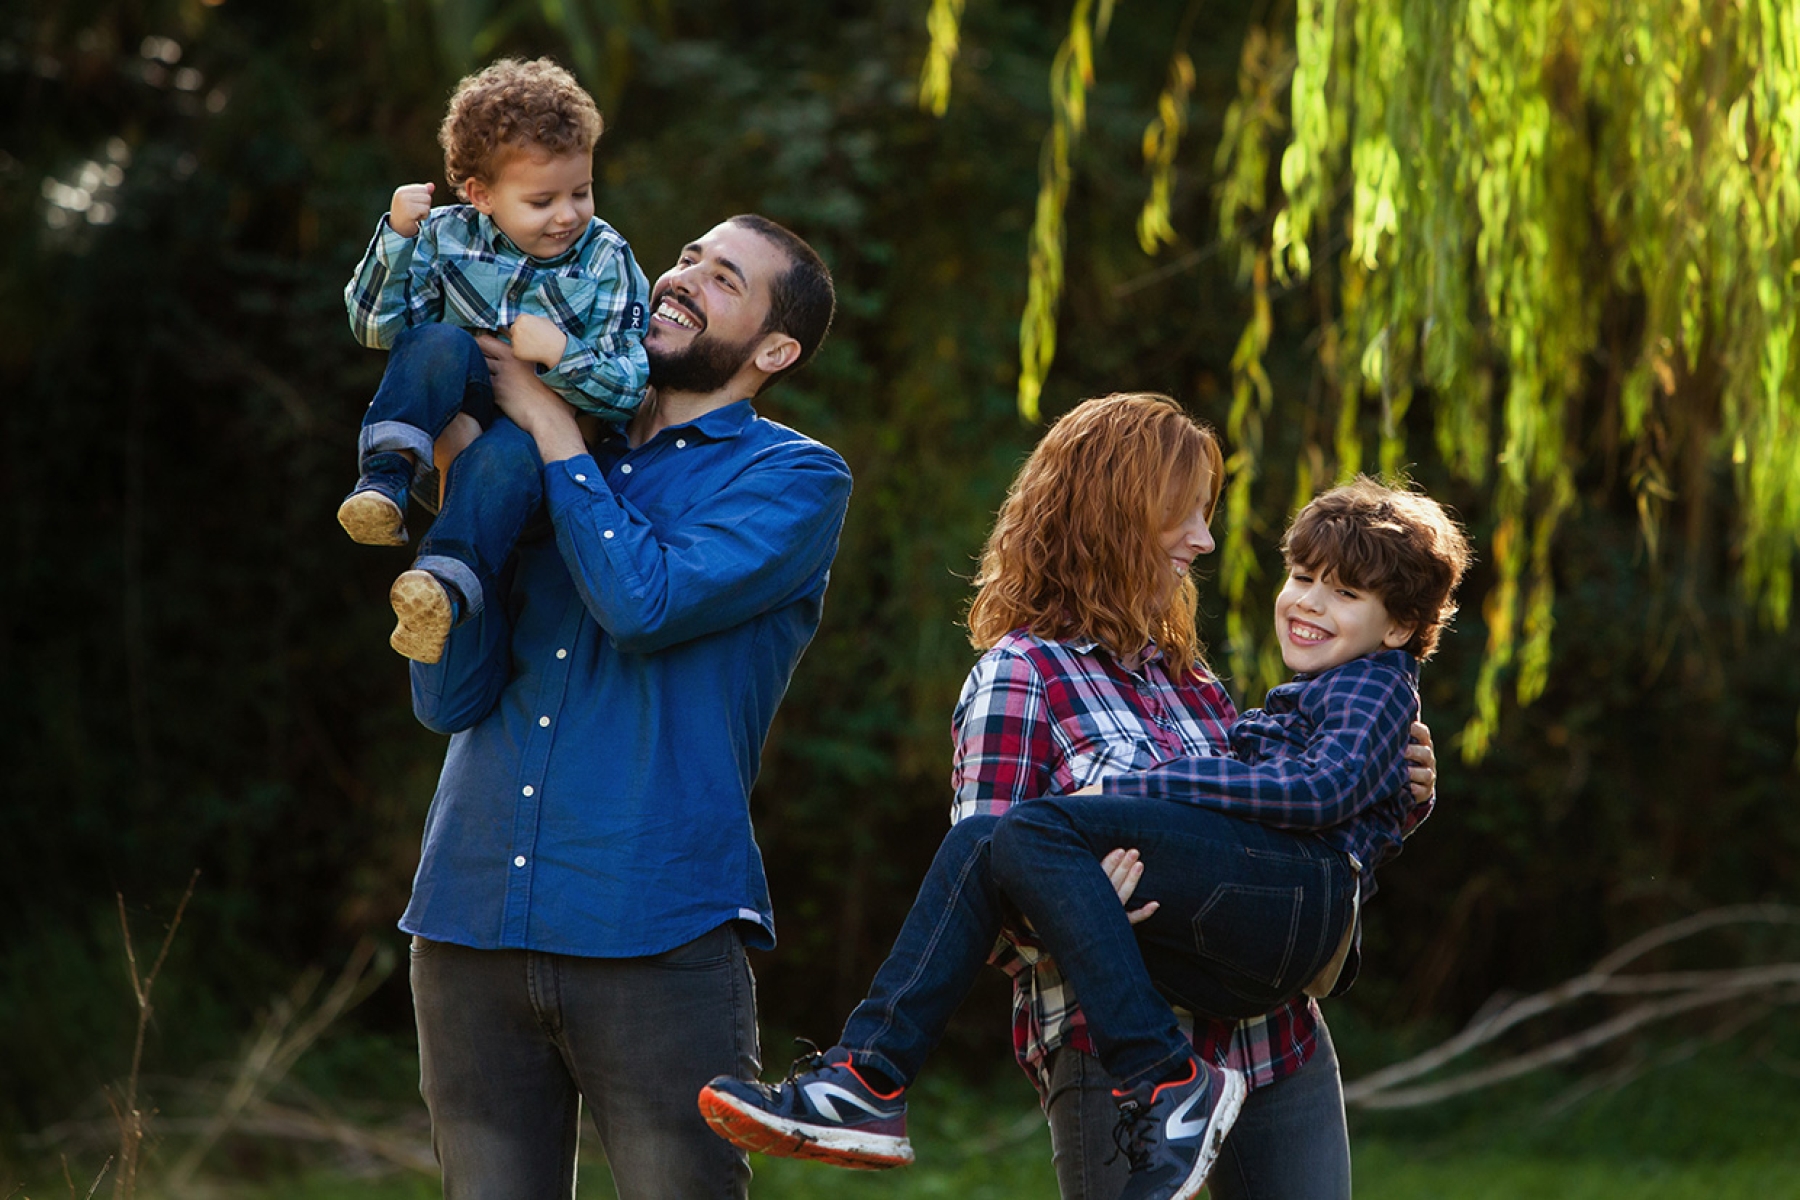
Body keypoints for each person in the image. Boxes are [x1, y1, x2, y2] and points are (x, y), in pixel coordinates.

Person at [697, 397, 1457, 1200]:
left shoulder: (1190, 682)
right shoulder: (1021, 676)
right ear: (1117, 521)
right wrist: (1068, 905)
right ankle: (897, 1083)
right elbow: (979, 900)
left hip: (1271, 1038)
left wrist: (1397, 791)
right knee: (1006, 841)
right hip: (1107, 1052)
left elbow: (1276, 820)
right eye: (1186, 516)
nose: (1205, 540)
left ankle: (867, 1081)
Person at [400, 213, 850, 1200]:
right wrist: (459, 502)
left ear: (774, 350)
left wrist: (554, 428)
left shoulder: (791, 478)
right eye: (687, 256)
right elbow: (450, 698)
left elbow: (642, 605)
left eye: (725, 279)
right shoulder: (540, 456)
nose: (683, 276)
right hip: (469, 918)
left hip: (655, 927)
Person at [340, 57, 650, 663]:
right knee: (437, 341)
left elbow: (631, 388)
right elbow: (379, 330)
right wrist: (397, 241)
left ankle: (441, 589)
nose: (568, 215)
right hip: (445, 438)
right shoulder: (443, 235)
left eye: (581, 192)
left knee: (507, 452)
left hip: (528, 460)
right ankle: (384, 480)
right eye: (542, 201)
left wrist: (563, 356)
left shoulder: (606, 258)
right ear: (480, 194)